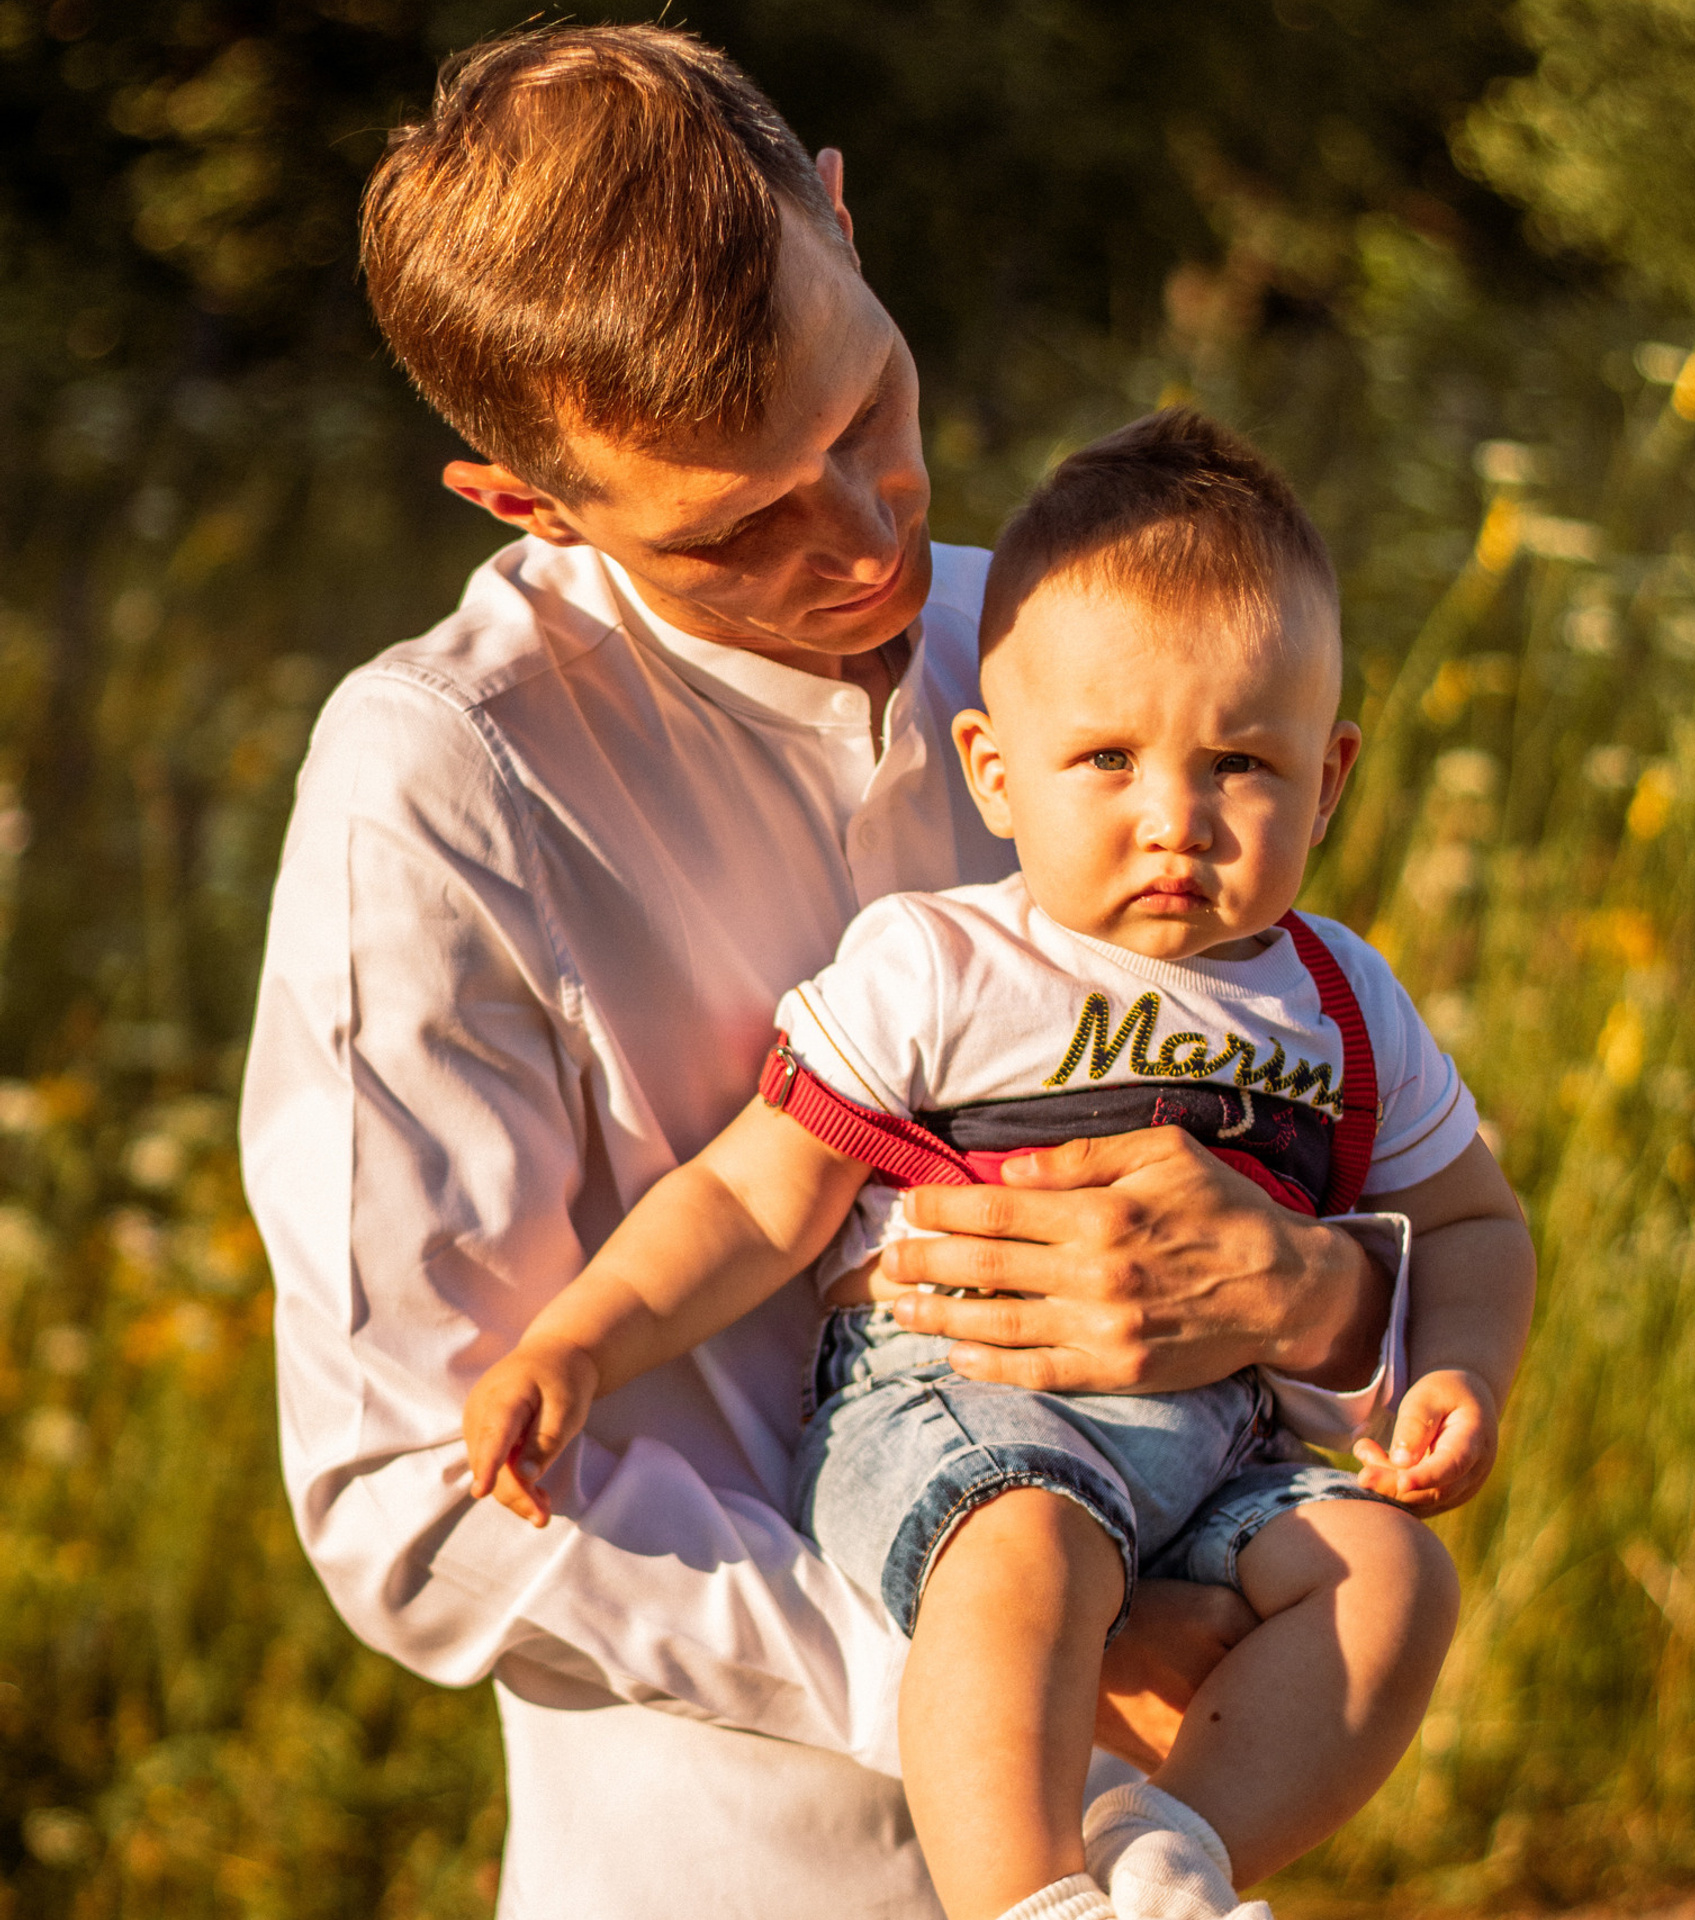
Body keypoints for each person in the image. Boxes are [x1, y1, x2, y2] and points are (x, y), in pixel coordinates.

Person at [240, 25, 1478, 1919]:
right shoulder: (442, 783)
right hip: (735, 1871)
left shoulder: (1082, 658)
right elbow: (406, 1496)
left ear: (840, 212)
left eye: (864, 411)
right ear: (526, 503)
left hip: (1189, 1838)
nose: (867, 533)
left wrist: (1328, 1300)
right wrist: (1000, 1677)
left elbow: (1306, 1120)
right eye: (738, 525)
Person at [461, 410, 1535, 1920]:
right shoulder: (942, 966)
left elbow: (1475, 1221)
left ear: (1330, 779)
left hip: (1227, 1450)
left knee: (1394, 1582)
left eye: (1241, 763)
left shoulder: (1345, 1002)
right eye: (1107, 760)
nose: (1175, 822)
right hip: (959, 1411)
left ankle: (1176, 1860)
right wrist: (580, 1341)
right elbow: (753, 1193)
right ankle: (1027, 1902)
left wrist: (1461, 1373)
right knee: (1026, 1551)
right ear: (993, 771)